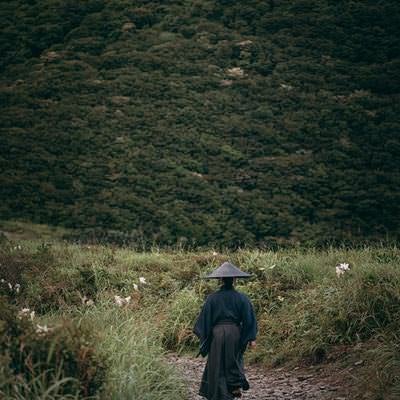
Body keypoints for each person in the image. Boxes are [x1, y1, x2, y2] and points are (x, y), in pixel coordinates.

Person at [194, 261, 257, 400]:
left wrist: (205, 337)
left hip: (217, 334)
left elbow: (205, 320)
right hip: (235, 333)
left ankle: (219, 392)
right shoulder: (242, 298)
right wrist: (251, 338)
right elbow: (249, 319)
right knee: (234, 359)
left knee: (217, 362)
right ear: (234, 280)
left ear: (220, 280)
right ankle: (234, 387)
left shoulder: (212, 298)